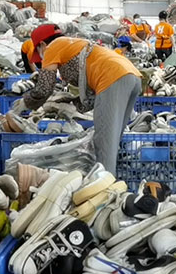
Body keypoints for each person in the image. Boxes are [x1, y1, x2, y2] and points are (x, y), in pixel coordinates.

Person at [22, 25, 141, 175]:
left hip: (113, 77)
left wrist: (25, 103)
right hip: (131, 76)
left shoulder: (52, 47)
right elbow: (91, 93)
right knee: (113, 139)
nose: (41, 59)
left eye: (39, 53)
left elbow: (45, 88)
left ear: (42, 45)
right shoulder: (74, 45)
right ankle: (109, 180)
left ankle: (105, 184)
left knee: (104, 143)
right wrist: (73, 104)